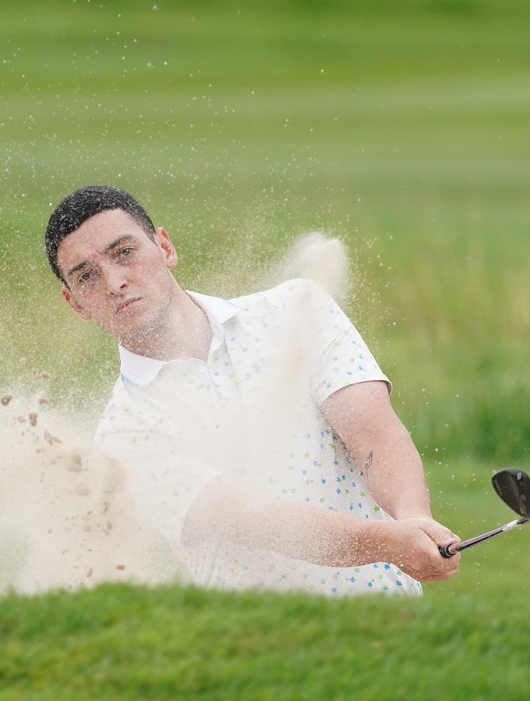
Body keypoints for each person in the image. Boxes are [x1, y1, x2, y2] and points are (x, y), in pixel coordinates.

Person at [44, 185, 460, 596]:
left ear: (165, 248)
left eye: (125, 253)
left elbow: (374, 435)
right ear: (76, 303)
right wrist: (391, 542)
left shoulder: (296, 308)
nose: (115, 282)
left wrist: (414, 519)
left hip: (393, 620)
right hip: (259, 646)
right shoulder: (122, 437)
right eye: (87, 276)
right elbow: (259, 521)